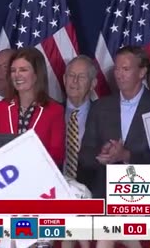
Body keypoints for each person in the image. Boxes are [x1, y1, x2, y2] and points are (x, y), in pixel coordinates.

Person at [77, 46, 150, 199]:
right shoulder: (100, 107)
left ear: (142, 72)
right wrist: (102, 154)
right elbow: (85, 155)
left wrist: (126, 156)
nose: (119, 75)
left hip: (144, 198)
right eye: (117, 69)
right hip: (105, 198)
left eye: (125, 69)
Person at [0, 47, 65, 168]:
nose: (17, 75)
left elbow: (57, 155)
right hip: (4, 178)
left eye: (23, 70)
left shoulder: (54, 110)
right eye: (13, 70)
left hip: (39, 179)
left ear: (37, 74)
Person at [61, 55, 97, 248]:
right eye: (71, 75)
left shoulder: (104, 113)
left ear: (93, 84)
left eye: (81, 77)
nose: (74, 81)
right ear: (64, 79)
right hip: (54, 194)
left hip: (92, 193)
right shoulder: (49, 111)